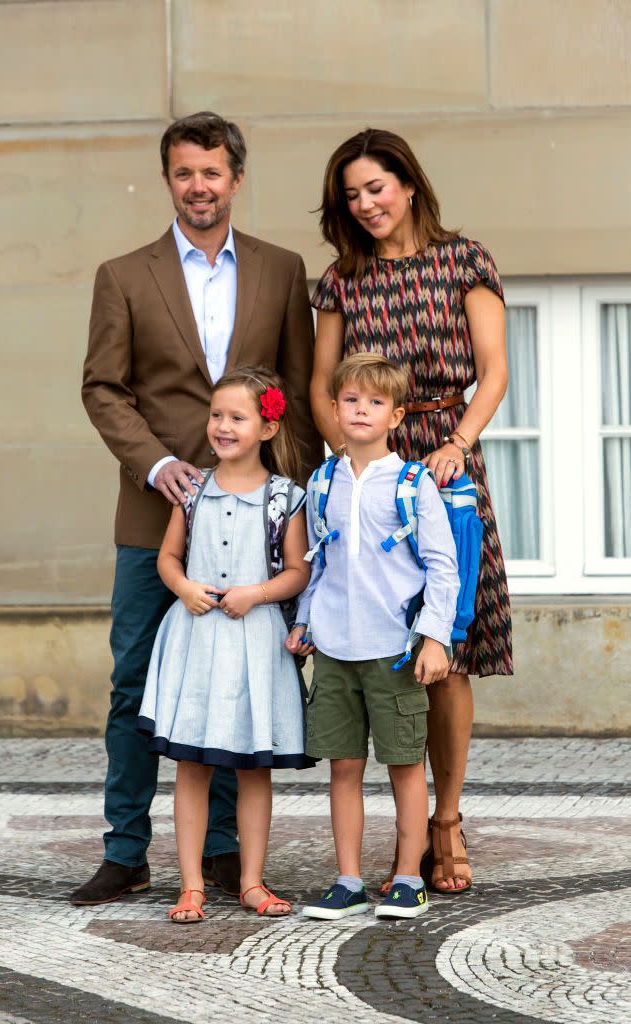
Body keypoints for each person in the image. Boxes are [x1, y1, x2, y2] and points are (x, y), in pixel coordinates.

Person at [75, 111, 322, 906]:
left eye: (212, 172)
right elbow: (102, 388)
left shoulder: (283, 270)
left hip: (256, 519)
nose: (199, 186)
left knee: (238, 681)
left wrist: (297, 514)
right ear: (167, 178)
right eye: (184, 172)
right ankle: (125, 850)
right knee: (133, 682)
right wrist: (155, 466)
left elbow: (298, 394)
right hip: (156, 521)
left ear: (236, 178)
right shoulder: (123, 274)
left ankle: (222, 855)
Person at [309, 128, 511, 896]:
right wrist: (355, 462)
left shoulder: (465, 260)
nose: (364, 205)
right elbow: (323, 386)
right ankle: (393, 842)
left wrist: (456, 441)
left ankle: (446, 821)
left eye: (375, 188)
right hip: (368, 472)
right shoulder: (340, 279)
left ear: (409, 184)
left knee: (446, 648)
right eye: (351, 196)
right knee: (382, 644)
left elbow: (492, 371)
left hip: (448, 463)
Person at [287, 353, 459, 920]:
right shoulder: (321, 482)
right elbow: (320, 561)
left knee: (405, 764)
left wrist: (434, 638)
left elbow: (442, 566)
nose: (361, 410)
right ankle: (348, 880)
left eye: (376, 402)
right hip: (335, 650)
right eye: (351, 401)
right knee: (342, 767)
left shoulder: (412, 484)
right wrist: (304, 620)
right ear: (334, 410)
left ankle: (409, 878)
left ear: (397, 415)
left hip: (393, 652)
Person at [138, 367, 311, 923]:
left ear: (266, 427)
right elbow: (169, 556)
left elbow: (298, 571)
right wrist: (185, 586)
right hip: (197, 640)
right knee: (191, 764)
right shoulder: (192, 490)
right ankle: (191, 885)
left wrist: (257, 593)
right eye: (216, 415)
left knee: (253, 768)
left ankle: (252, 881)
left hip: (255, 645)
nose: (223, 425)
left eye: (237, 417)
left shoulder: (287, 497)